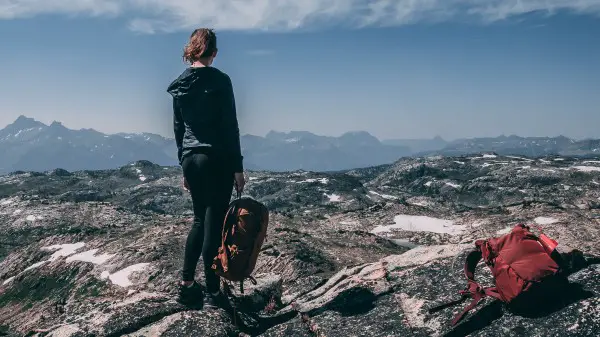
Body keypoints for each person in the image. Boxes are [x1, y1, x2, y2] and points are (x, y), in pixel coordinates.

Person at [167, 28, 245, 309]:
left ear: (191, 50)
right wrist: (238, 167)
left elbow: (178, 129)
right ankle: (213, 292)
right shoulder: (221, 81)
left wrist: (183, 166)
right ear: (213, 52)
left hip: (191, 158)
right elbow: (229, 126)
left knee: (199, 220)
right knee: (215, 223)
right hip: (217, 159)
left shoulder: (180, 84)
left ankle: (187, 284)